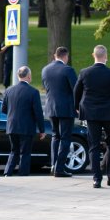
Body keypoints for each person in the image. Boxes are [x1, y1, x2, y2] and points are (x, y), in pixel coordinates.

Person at [74, 45, 110, 189]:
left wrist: (76, 107)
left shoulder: (84, 73)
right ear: (106, 56)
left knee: (94, 146)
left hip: (91, 114)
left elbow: (76, 92)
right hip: (109, 114)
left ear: (93, 55)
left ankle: (96, 179)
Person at [1, 66, 46, 176]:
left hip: (12, 126)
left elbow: (3, 109)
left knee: (14, 151)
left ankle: (8, 172)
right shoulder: (33, 92)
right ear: (29, 76)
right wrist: (42, 130)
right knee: (25, 153)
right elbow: (38, 113)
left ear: (18, 76)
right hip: (26, 127)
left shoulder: (9, 90)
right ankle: (23, 174)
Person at [41, 46, 78, 177]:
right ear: (65, 56)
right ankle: (59, 168)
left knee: (55, 137)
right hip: (66, 108)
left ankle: (53, 165)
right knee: (65, 138)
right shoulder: (68, 70)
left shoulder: (45, 69)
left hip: (50, 107)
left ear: (55, 55)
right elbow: (76, 90)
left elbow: (46, 88)